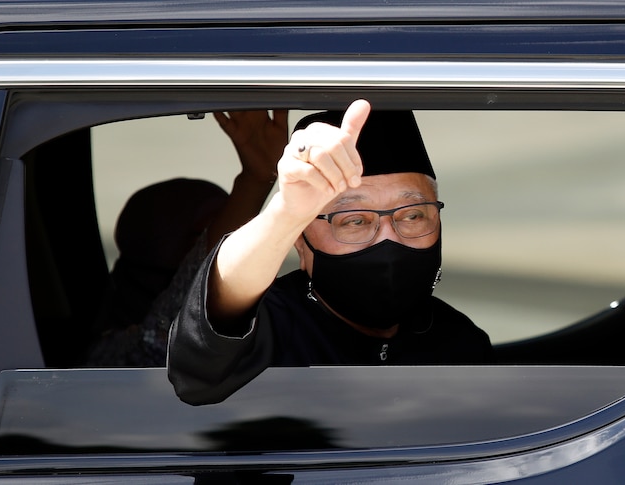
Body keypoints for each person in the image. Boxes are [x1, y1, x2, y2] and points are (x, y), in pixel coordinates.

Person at [167, 100, 493, 405]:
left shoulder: (459, 340)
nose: (388, 239)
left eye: (412, 215)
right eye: (353, 220)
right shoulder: (272, 328)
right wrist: (286, 212)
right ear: (300, 239)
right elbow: (198, 365)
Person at [86, 110, 288, 367]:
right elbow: (173, 331)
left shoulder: (278, 327)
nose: (235, 253)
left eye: (241, 231)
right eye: (201, 239)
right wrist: (254, 182)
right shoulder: (107, 363)